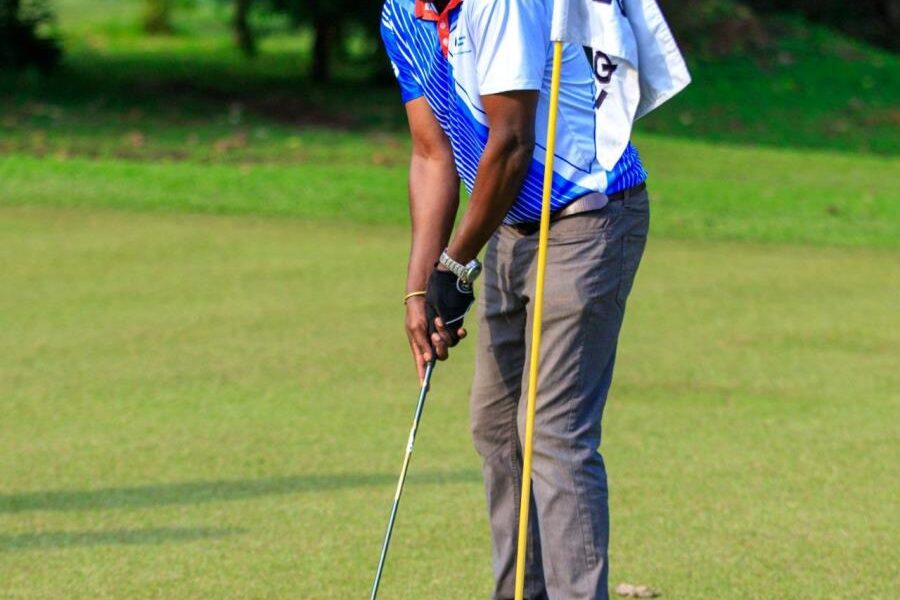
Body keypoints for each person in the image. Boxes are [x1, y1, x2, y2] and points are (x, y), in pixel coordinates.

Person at [382, 1, 653, 598]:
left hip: (588, 215)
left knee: (552, 430)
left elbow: (510, 142)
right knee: (497, 425)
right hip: (509, 224)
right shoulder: (401, 11)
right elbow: (433, 155)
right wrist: (420, 287)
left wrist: (455, 264)